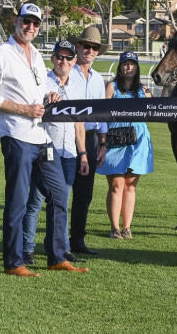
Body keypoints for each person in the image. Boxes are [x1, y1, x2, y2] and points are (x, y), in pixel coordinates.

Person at [0, 3, 88, 276]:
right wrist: (24, 109)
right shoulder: (0, 54)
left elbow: (36, 94)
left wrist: (47, 98)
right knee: (17, 200)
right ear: (16, 22)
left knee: (60, 192)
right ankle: (14, 263)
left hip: (40, 135)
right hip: (16, 134)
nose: (30, 27)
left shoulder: (37, 55)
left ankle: (57, 256)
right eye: (26, 21)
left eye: (35, 23)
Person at [22, 40, 89, 264]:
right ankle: (26, 249)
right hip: (44, 149)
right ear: (52, 59)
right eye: (59, 57)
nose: (63, 61)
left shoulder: (77, 87)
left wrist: (83, 154)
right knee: (35, 200)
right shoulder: (42, 81)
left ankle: (61, 249)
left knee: (61, 202)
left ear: (74, 61)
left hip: (69, 152)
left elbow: (78, 124)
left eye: (68, 57)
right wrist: (46, 97)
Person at [97, 51, 154, 239]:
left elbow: (158, 109)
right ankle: (114, 227)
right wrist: (102, 141)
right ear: (120, 67)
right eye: (125, 63)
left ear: (137, 67)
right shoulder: (111, 87)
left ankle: (127, 227)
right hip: (116, 138)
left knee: (130, 184)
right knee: (116, 184)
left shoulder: (143, 90)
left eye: (132, 63)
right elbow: (101, 115)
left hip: (138, 139)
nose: (128, 67)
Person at [68, 26, 110, 255]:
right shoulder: (66, 71)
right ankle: (58, 242)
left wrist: (103, 143)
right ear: (78, 46)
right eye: (87, 46)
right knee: (62, 192)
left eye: (94, 47)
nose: (90, 50)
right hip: (67, 137)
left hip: (92, 138)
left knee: (85, 194)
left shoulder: (98, 79)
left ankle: (77, 241)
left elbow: (102, 113)